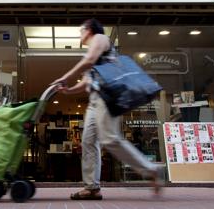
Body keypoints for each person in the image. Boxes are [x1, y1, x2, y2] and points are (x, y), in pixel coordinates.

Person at [51, 18, 164, 200]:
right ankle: (91, 187)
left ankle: (151, 170)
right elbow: (87, 81)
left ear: (89, 30)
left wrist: (65, 77)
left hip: (106, 97)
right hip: (94, 101)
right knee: (88, 142)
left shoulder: (100, 38)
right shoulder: (92, 50)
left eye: (81, 30)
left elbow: (89, 60)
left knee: (109, 139)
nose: (80, 33)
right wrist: (69, 90)